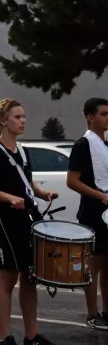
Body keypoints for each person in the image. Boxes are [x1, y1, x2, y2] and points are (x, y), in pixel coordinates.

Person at [0, 98, 63, 345]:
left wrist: (42, 192)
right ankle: (4, 338)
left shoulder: (22, 151)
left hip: (27, 220)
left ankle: (32, 335)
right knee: (7, 278)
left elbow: (26, 183)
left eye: (23, 117)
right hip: (6, 222)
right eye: (17, 117)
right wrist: (9, 198)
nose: (23, 121)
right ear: (3, 120)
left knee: (30, 278)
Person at [65, 96, 108, 330]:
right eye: (104, 114)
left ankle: (107, 311)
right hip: (93, 211)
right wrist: (100, 195)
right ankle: (92, 314)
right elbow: (72, 181)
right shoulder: (83, 144)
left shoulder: (106, 144)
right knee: (94, 265)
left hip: (107, 212)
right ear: (90, 117)